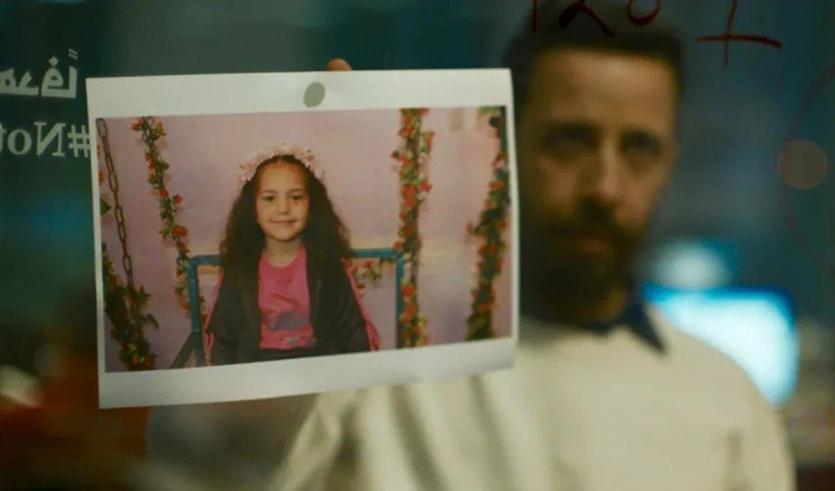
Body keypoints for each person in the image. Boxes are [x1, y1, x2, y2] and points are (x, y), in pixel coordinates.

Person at [148, 4, 795, 490]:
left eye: (638, 148)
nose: (604, 186)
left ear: (668, 164)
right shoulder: (379, 365)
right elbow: (202, 463)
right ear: (499, 145)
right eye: (569, 140)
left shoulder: (726, 400)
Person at [205, 142, 379, 365]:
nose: (283, 209)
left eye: (296, 197)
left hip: (319, 367)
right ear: (253, 210)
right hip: (258, 370)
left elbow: (354, 331)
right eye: (270, 198)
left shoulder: (329, 266)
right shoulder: (239, 270)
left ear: (312, 206)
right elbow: (222, 339)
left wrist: (356, 375)